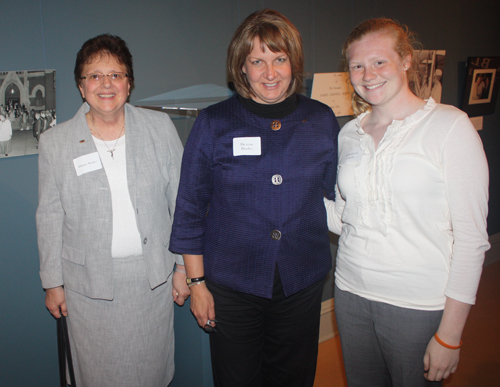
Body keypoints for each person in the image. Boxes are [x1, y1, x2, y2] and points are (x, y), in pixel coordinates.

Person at [170, 9, 340, 387]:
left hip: (301, 279)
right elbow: (190, 208)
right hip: (232, 285)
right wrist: (196, 283)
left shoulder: (321, 119)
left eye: (279, 59)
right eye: (257, 61)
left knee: (293, 377)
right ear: (241, 68)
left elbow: (334, 195)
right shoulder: (214, 123)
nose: (270, 73)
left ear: (293, 62)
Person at [324, 18, 489, 386]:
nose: (369, 74)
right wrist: (283, 194)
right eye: (357, 66)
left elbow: (472, 240)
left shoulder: (450, 127)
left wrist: (450, 335)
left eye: (379, 62)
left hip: (418, 304)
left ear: (406, 61)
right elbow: (344, 216)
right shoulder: (349, 133)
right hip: (350, 295)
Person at [36, 33, 189, 387]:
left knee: (152, 373)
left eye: (116, 74)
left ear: (129, 83)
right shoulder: (55, 142)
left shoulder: (158, 128)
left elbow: (182, 200)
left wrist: (183, 266)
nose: (106, 84)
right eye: (94, 75)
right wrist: (52, 282)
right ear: (81, 86)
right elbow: (49, 216)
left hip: (151, 282)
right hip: (88, 289)